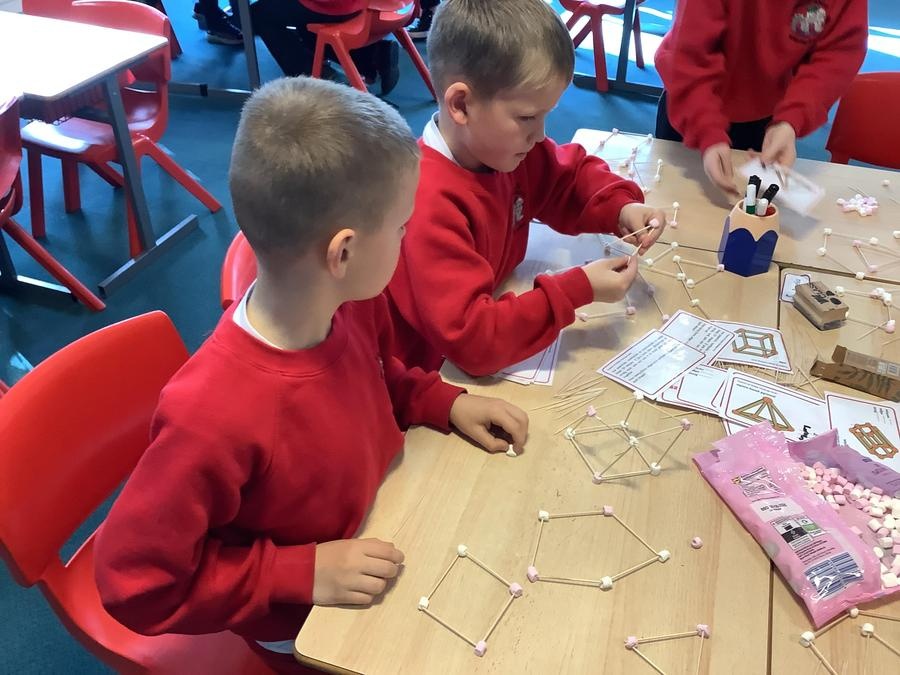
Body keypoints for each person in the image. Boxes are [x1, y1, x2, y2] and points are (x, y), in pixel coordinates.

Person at [93, 77, 528, 674]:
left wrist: (440, 400)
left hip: (382, 519)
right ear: (343, 253)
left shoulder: (349, 302)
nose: (408, 239)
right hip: (307, 621)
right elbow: (134, 583)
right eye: (401, 228)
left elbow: (377, 376)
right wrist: (298, 572)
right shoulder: (212, 417)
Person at [384, 0, 666, 377]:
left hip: (486, 320)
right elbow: (473, 341)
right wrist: (576, 290)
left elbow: (566, 179)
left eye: (545, 115)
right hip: (425, 373)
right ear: (461, 105)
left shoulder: (503, 150)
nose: (541, 134)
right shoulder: (426, 203)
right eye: (528, 117)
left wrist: (620, 208)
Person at [654, 0, 868, 197]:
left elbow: (838, 52)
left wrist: (792, 118)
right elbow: (688, 55)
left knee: (748, 208)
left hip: (767, 115)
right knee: (671, 201)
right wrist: (704, 128)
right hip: (691, 106)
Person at [250, 0, 401, 94]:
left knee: (258, 15)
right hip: (368, 5)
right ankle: (373, 56)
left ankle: (311, 75)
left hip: (332, 5)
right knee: (305, 25)